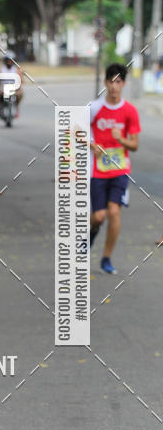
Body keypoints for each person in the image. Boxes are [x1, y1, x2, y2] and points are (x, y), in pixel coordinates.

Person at [89, 63, 140, 275]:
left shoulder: (129, 110)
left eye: (118, 82)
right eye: (111, 81)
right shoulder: (94, 108)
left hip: (120, 170)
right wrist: (92, 146)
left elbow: (135, 145)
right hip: (97, 171)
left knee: (113, 212)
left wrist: (123, 140)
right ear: (105, 82)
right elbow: (75, 132)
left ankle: (107, 258)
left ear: (124, 84)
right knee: (99, 216)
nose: (114, 86)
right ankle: (87, 237)